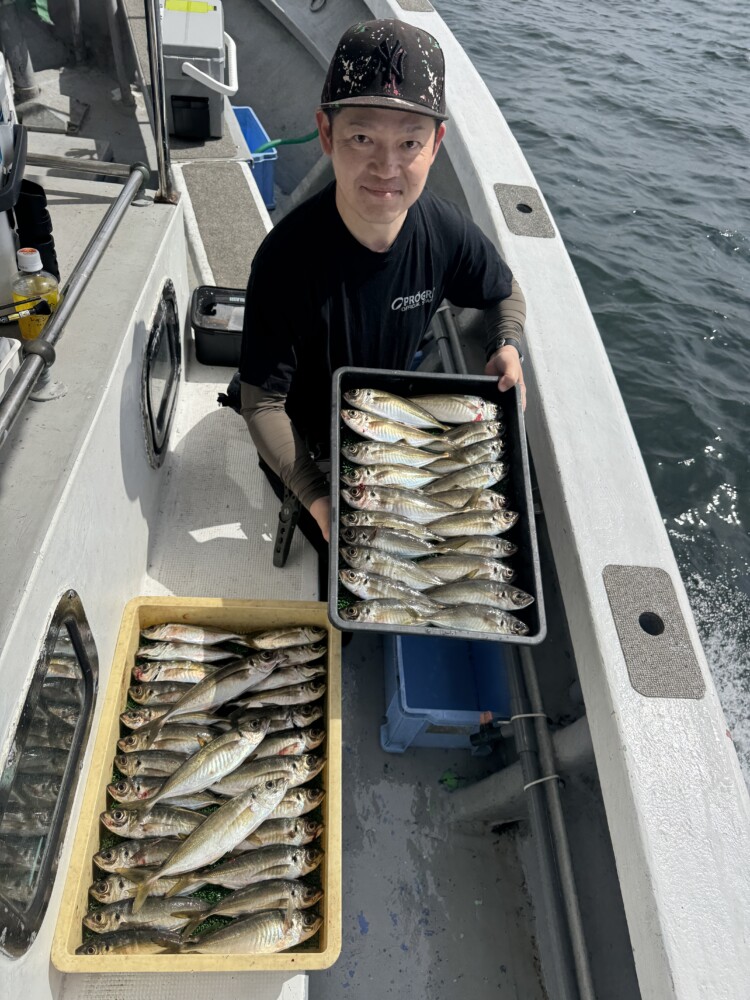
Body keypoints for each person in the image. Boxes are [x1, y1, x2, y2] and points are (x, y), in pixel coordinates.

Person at [239, 18, 526, 564]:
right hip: (305, 448)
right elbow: (262, 403)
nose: (386, 167)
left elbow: (504, 291)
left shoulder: (446, 232)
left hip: (397, 434)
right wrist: (317, 498)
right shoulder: (286, 259)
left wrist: (504, 344)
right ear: (326, 134)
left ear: (436, 144)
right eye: (362, 137)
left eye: (410, 142)